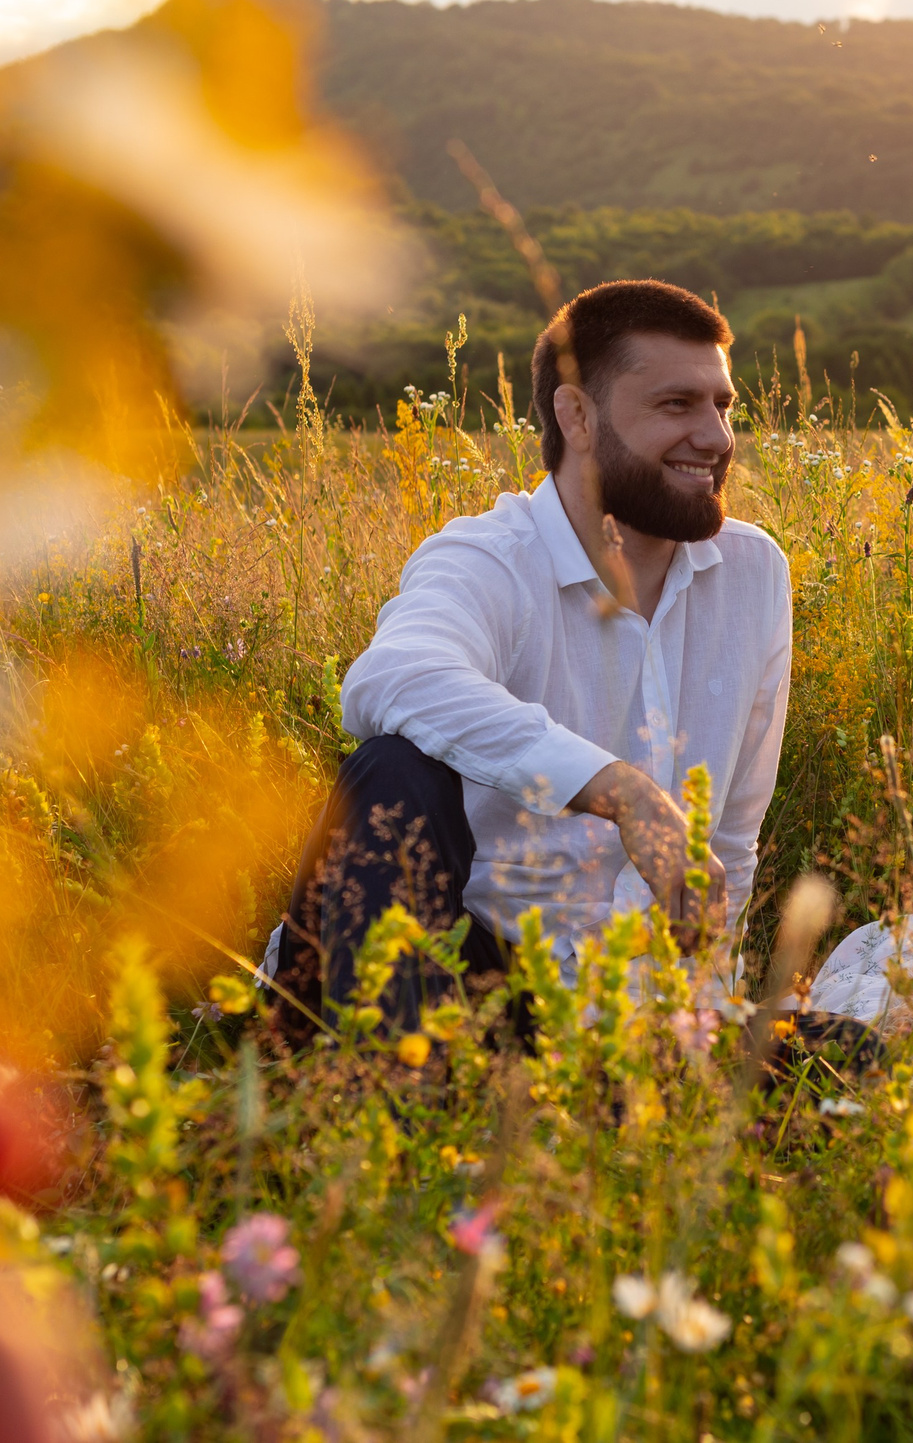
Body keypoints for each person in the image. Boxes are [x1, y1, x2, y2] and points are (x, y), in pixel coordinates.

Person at [268, 280, 792, 1033]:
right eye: (677, 405)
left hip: (615, 1003)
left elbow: (732, 837)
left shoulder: (752, 572)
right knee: (394, 767)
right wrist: (624, 791)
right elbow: (393, 676)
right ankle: (386, 1102)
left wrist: (705, 1009)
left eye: (723, 406)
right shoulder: (489, 559)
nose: (714, 437)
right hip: (457, 968)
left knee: (862, 1064)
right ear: (576, 415)